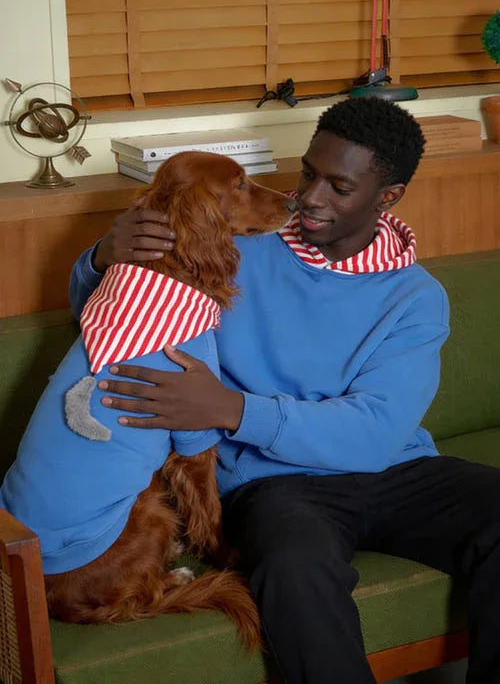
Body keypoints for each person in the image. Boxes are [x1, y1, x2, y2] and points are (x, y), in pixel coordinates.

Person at [70, 98, 500, 684]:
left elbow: (376, 433)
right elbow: (119, 322)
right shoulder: (236, 248)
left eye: (339, 187)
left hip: (396, 469)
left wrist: (232, 408)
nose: (309, 198)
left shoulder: (416, 297)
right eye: (308, 174)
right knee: (295, 570)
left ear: (388, 197)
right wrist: (101, 255)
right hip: (275, 482)